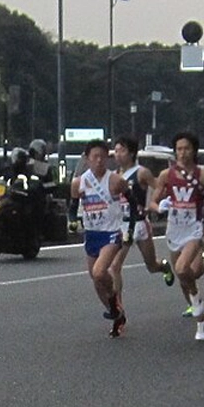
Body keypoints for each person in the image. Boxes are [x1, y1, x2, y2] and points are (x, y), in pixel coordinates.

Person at [149, 132, 204, 341]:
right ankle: (202, 319)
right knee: (183, 277)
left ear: (194, 150)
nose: (182, 153)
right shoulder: (166, 175)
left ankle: (198, 310)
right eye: (179, 149)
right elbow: (152, 202)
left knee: (181, 268)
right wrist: (159, 206)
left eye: (186, 148)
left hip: (194, 229)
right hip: (174, 229)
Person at [107, 136, 175, 311]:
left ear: (131, 153)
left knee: (151, 266)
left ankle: (164, 267)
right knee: (114, 266)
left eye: (121, 150)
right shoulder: (114, 176)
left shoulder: (141, 172)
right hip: (122, 225)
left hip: (139, 224)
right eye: (116, 150)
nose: (117, 154)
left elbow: (160, 187)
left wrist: (155, 204)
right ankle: (118, 310)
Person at [70, 139, 128, 338]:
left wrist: (131, 224)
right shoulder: (79, 182)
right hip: (92, 233)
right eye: (95, 157)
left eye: (103, 157)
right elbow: (72, 205)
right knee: (95, 280)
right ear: (87, 159)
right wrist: (72, 221)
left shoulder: (115, 181)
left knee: (99, 271)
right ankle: (116, 312)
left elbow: (133, 201)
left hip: (111, 232)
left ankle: (114, 300)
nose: (99, 161)